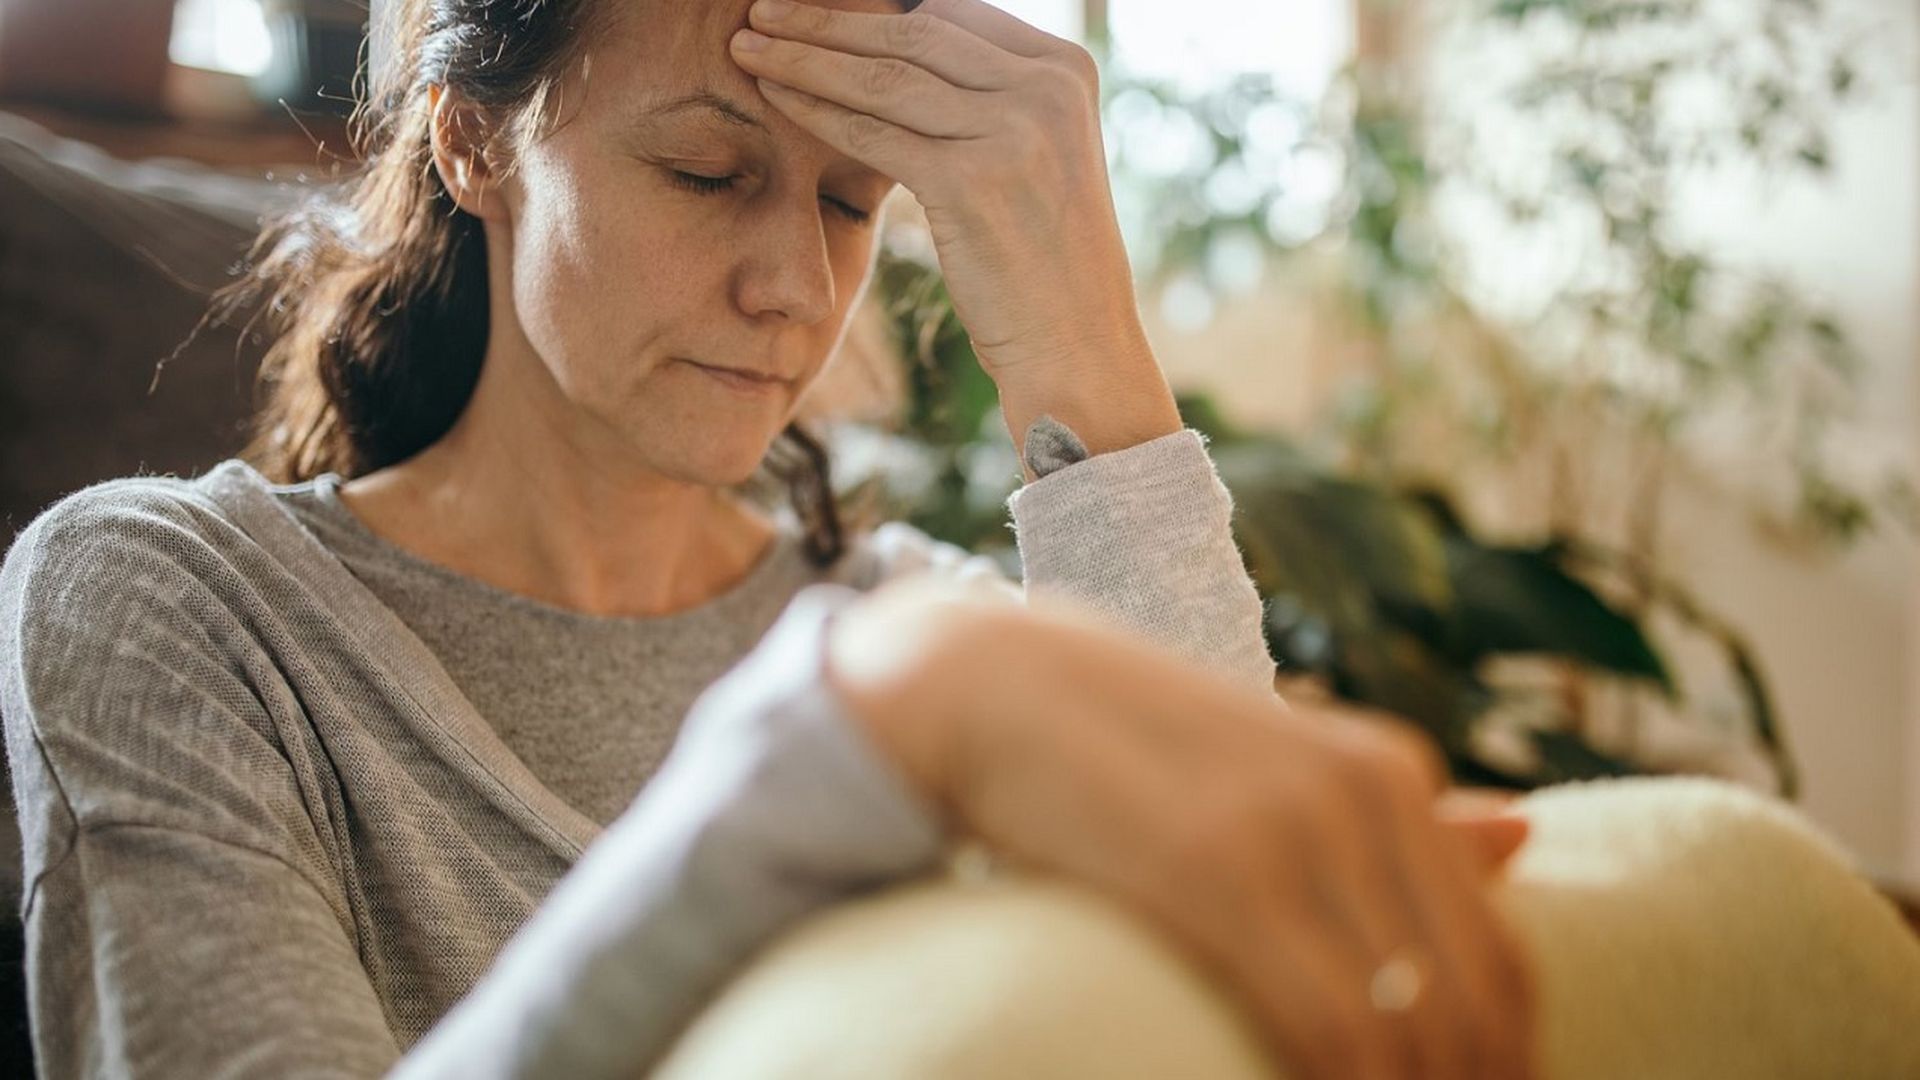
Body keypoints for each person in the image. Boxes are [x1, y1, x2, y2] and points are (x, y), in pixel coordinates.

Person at [0, 0, 1538, 1077]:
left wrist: (1082, 338)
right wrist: (823, 753)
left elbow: (1254, 1018)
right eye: (707, 173)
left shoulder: (920, 628)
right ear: (475, 143)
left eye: (854, 204)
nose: (796, 291)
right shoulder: (170, 605)